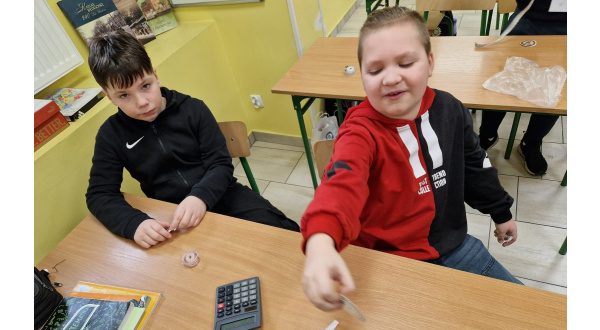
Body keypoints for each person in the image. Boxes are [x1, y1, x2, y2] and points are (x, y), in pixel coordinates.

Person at [301, 7, 522, 312]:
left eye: (405, 63)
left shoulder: (450, 109)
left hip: (453, 246)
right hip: (387, 259)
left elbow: (475, 165)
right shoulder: (359, 132)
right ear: (361, 76)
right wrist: (321, 241)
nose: (391, 78)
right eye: (375, 70)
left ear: (430, 63)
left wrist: (500, 211)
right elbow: (340, 185)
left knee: (527, 314)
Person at [86, 31, 299, 249]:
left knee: (285, 235)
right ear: (110, 97)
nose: (142, 102)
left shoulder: (193, 109)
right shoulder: (110, 135)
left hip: (222, 193)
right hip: (170, 214)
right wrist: (134, 224)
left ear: (156, 76)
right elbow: (99, 195)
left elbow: (220, 164)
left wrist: (199, 197)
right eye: (124, 95)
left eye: (145, 86)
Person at [478, 0, 567, 175]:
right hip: (529, 18)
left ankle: (531, 142)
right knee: (501, 81)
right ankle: (487, 134)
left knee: (557, 89)